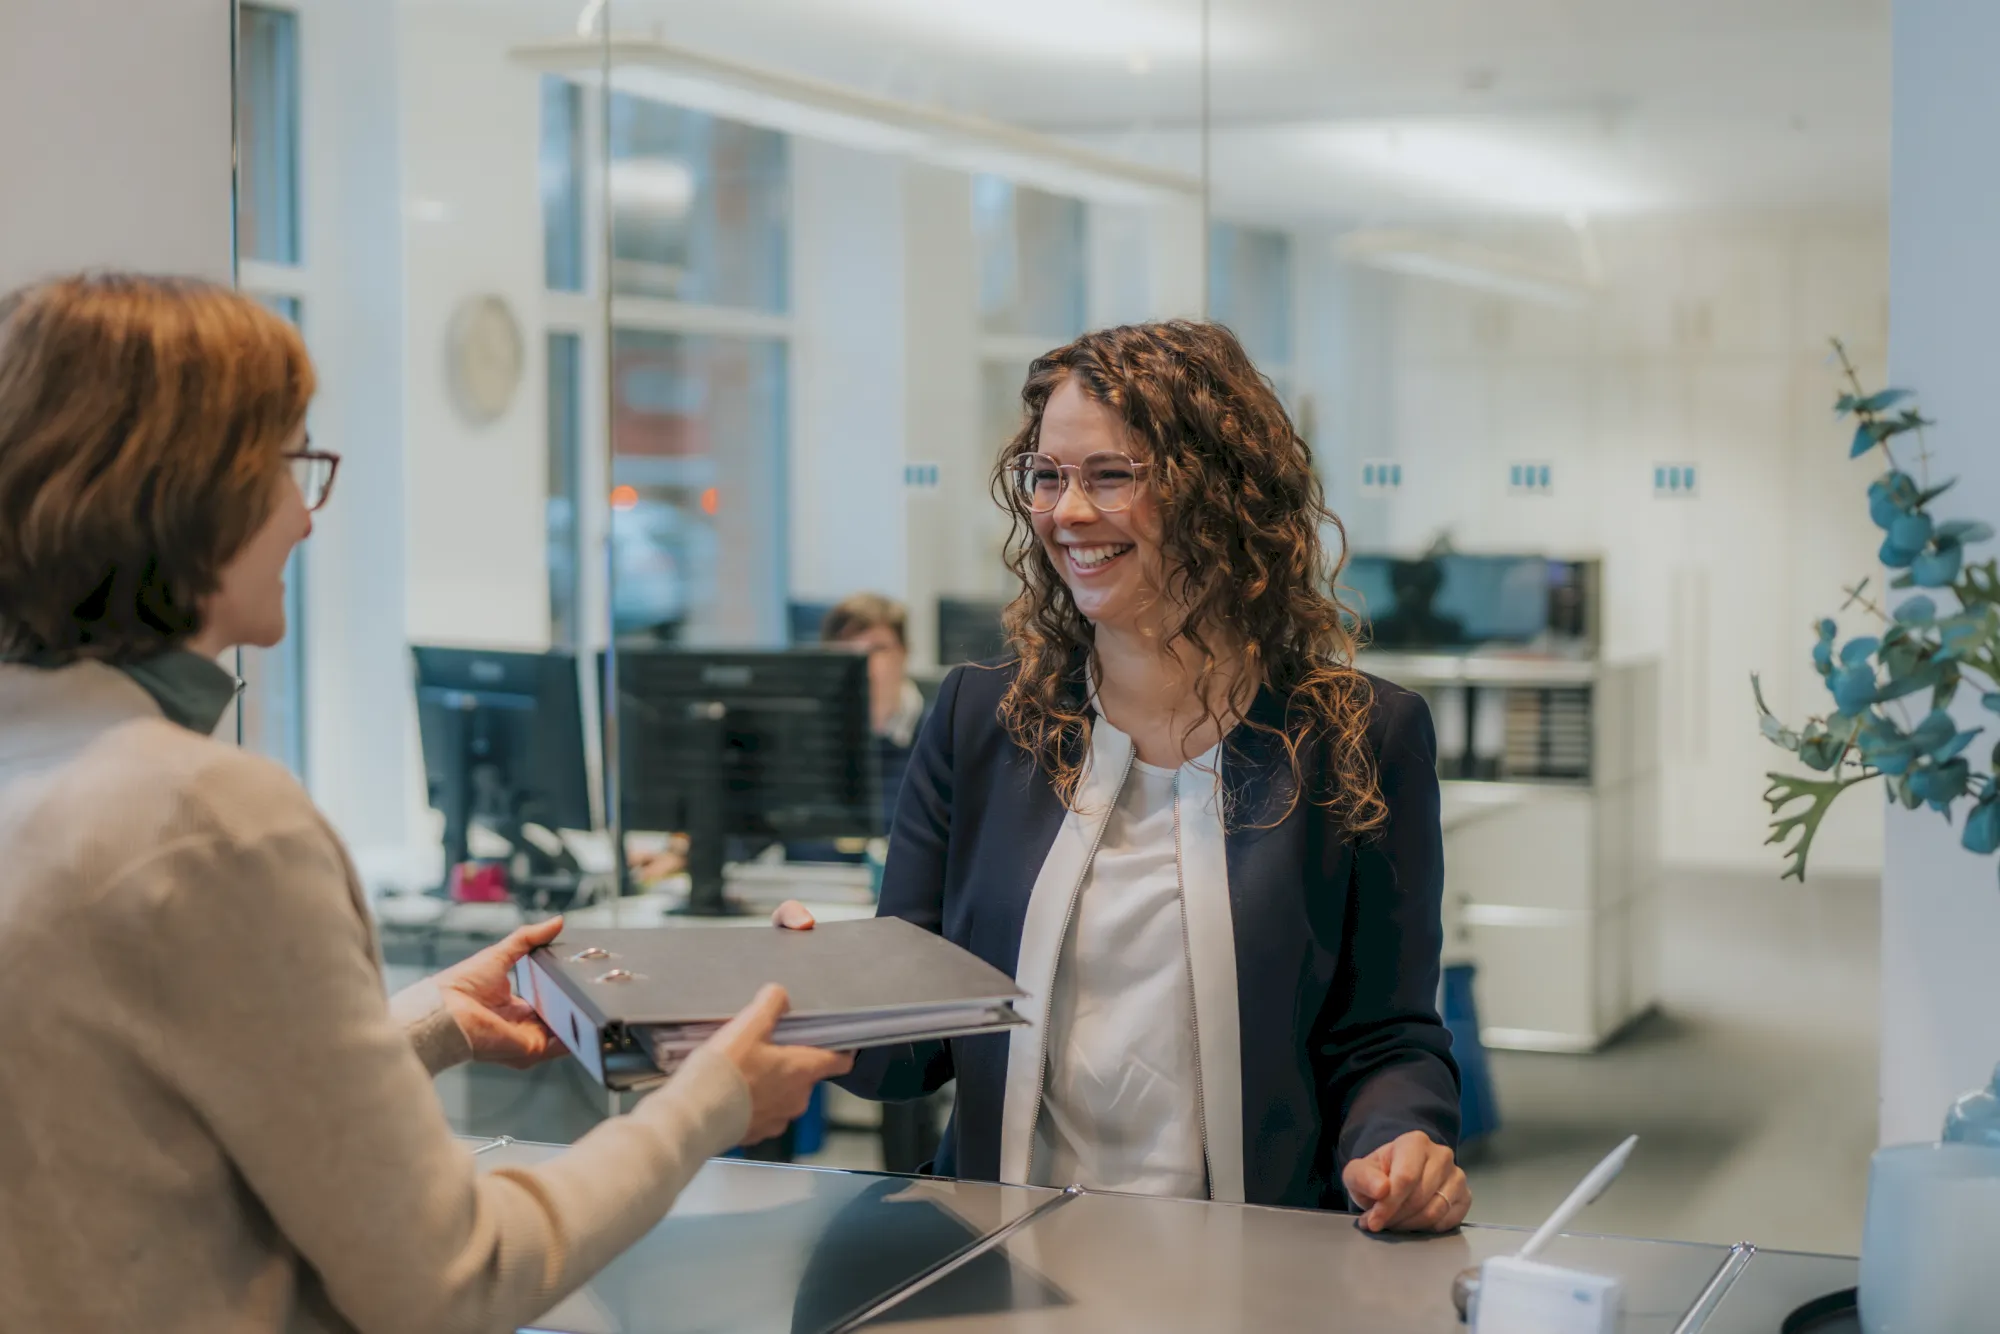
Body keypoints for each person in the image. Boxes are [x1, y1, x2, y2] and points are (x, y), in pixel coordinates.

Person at [0, 273, 850, 1334]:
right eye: (285, 466)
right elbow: (451, 1281)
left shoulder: (38, 763)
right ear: (186, 490)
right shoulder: (207, 815)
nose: (304, 518)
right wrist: (709, 1100)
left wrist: (434, 1020)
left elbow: (131, 1104)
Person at [780, 320, 1468, 1230]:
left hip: (1250, 1264)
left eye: (1110, 476)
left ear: (1220, 495)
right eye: (1048, 477)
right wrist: (828, 993)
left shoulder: (1362, 736)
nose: (1067, 513)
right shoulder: (981, 722)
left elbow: (1383, 1034)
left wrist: (1400, 1139)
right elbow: (915, 1049)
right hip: (1002, 1256)